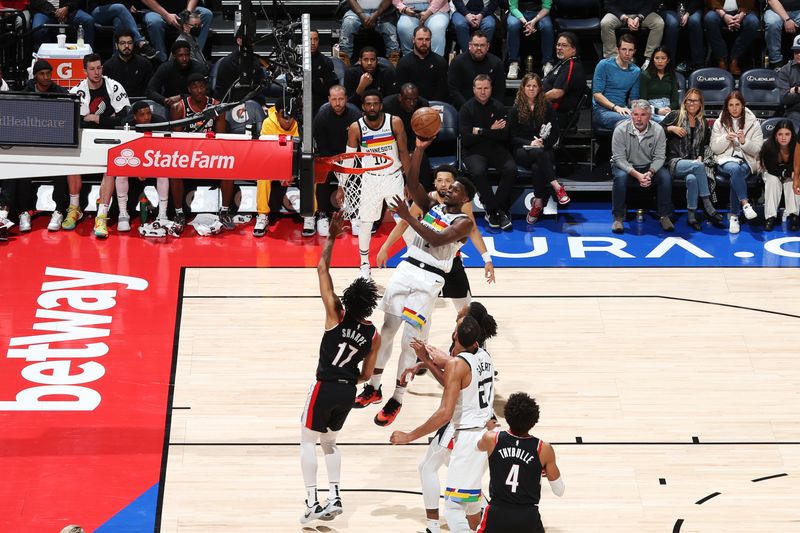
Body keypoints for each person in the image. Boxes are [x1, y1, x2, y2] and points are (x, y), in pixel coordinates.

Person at [352, 137, 475, 427]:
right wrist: (419, 149)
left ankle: (397, 398)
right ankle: (374, 387)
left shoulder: (464, 223)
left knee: (410, 341)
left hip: (429, 280)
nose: (449, 188)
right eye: (448, 185)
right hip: (406, 269)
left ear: (464, 198)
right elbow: (412, 181)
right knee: (387, 330)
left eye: (455, 188)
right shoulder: (432, 203)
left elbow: (435, 239)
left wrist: (408, 216)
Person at [299, 211, 381, 524]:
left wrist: (332, 237)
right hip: (348, 391)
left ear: (347, 299)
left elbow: (322, 268)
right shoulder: (373, 333)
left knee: (308, 441)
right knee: (330, 443)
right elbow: (367, 375)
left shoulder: (336, 314)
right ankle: (334, 495)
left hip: (324, 385)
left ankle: (311, 502)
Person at [399, 302, 498, 533]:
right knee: (470, 503)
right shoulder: (484, 355)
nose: (458, 314)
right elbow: (452, 372)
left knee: (453, 505)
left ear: (456, 335)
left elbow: (445, 408)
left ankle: (433, 525)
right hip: (485, 430)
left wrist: (409, 436)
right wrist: (426, 360)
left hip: (466, 431)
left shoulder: (458, 362)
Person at [377, 166, 496, 309]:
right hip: (424, 262)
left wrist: (486, 259)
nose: (444, 185)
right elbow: (403, 223)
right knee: (420, 312)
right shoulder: (427, 200)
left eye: (448, 181)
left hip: (450, 261)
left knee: (464, 309)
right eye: (439, 180)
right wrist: (385, 247)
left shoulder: (462, 204)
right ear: (434, 183)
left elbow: (473, 230)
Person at [476, 392, 565, 533]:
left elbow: (478, 446)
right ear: (534, 420)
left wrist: (490, 429)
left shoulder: (491, 439)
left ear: (506, 415)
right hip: (527, 517)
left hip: (497, 513)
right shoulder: (543, 449)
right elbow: (559, 491)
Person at [345, 89, 410, 279]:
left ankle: (417, 261)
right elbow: (349, 158)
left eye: (375, 104)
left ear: (381, 105)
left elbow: (404, 152)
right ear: (363, 107)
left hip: (393, 176)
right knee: (366, 222)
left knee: (404, 219)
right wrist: (343, 185)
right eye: (368, 104)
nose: (372, 107)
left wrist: (410, 182)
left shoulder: (394, 122)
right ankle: (364, 264)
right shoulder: (356, 128)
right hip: (370, 178)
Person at [66, 53, 130, 238]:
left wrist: (97, 118)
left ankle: (102, 215)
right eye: (92, 69)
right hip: (86, 139)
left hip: (111, 139)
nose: (96, 72)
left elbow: (127, 118)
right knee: (72, 161)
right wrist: (108, 119)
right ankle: (74, 208)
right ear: (85, 71)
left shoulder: (114, 86)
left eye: (99, 68)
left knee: (110, 167)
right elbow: (75, 121)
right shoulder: (78, 90)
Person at [169, 73, 232, 233]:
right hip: (187, 154)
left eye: (202, 86)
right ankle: (179, 214)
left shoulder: (217, 106)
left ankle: (224, 211)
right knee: (174, 171)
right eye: (195, 87)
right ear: (189, 89)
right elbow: (176, 141)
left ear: (206, 88)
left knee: (229, 168)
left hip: (211, 154)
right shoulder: (178, 108)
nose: (199, 90)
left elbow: (220, 139)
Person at [509, 73, 568, 226]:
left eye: (534, 86)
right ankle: (556, 186)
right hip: (523, 150)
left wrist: (543, 143)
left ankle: (538, 203)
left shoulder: (547, 106)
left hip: (543, 148)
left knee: (538, 165)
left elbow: (555, 132)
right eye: (528, 86)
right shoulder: (515, 109)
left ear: (539, 88)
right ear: (523, 88)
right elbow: (512, 137)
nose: (531, 89)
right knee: (539, 156)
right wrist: (531, 142)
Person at [661, 88, 724, 230]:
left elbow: (703, 144)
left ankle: (691, 216)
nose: (691, 103)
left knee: (692, 179)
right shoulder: (675, 115)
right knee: (698, 166)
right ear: (684, 102)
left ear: (700, 103)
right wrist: (670, 129)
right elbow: (655, 129)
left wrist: (701, 155)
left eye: (695, 100)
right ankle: (708, 204)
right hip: (674, 162)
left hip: (693, 163)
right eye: (689, 100)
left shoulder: (702, 120)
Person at [459, 74, 516, 230]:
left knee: (511, 169)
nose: (482, 92)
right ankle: (497, 212)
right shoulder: (466, 109)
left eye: (486, 88)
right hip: (473, 151)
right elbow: (466, 138)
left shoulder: (499, 107)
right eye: (479, 88)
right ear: (474, 89)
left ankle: (493, 209)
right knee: (478, 172)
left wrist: (479, 131)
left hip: (496, 148)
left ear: (491, 89)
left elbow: (504, 135)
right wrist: (491, 130)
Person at [610, 99, 673, 234]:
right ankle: (618, 218)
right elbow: (619, 159)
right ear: (631, 115)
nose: (638, 119)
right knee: (620, 177)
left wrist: (650, 172)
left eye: (643, 115)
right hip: (626, 166)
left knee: (665, 176)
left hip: (648, 167)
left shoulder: (658, 130)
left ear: (650, 116)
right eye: (635, 114)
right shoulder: (620, 130)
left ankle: (665, 215)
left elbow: (660, 157)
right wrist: (638, 175)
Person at [21, 60, 68, 235]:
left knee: (62, 168)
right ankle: (24, 211)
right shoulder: (24, 93)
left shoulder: (61, 92)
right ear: (35, 76)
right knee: (21, 170)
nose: (46, 77)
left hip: (53, 144)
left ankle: (59, 211)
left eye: (49, 73)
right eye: (42, 74)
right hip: (30, 145)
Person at [310, 85, 361, 238]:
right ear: (329, 100)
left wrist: (345, 165)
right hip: (329, 156)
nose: (337, 103)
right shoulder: (321, 116)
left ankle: (355, 215)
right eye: (334, 100)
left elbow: (358, 144)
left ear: (346, 99)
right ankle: (322, 215)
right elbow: (321, 145)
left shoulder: (355, 114)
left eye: (341, 99)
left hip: (350, 156)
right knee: (321, 175)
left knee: (357, 174)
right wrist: (335, 165)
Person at [709, 90, 763, 234]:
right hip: (724, 160)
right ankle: (745, 204)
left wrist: (744, 142)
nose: (734, 108)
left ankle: (733, 216)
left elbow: (757, 150)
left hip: (746, 161)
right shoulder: (719, 122)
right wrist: (725, 138)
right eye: (731, 105)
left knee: (736, 175)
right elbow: (714, 148)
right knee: (734, 169)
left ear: (743, 106)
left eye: (737, 104)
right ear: (727, 107)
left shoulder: (753, 123)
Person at [117, 101, 172, 233]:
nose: (147, 117)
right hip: (134, 167)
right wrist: (138, 169)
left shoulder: (161, 123)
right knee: (119, 171)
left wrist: (147, 168)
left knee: (164, 171)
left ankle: (162, 214)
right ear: (135, 117)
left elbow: (165, 151)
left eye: (148, 113)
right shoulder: (126, 125)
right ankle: (123, 214)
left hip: (155, 164)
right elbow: (123, 152)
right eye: (142, 115)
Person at [255, 100, 302, 236]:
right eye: (284, 117)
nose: (288, 121)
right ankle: (262, 215)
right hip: (273, 163)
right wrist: (280, 172)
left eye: (291, 117)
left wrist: (291, 172)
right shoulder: (268, 124)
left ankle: (310, 215)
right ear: (276, 114)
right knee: (262, 175)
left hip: (295, 164)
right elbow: (267, 154)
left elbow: (300, 153)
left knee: (312, 172)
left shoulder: (299, 123)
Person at [383, 82, 432, 188]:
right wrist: (401, 153)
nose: (412, 103)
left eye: (415, 99)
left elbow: (424, 132)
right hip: (392, 143)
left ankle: (426, 196)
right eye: (408, 100)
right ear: (400, 98)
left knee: (421, 161)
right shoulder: (387, 105)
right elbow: (384, 132)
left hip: (414, 141)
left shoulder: (423, 105)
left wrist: (413, 152)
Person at [592, 33, 641, 131]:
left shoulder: (636, 71)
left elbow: (633, 100)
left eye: (630, 50)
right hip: (602, 111)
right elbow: (597, 95)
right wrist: (616, 108)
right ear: (617, 50)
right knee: (636, 120)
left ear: (634, 51)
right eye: (624, 49)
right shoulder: (604, 65)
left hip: (623, 110)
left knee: (649, 118)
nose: (627, 53)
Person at [140, 0, 213, 63]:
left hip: (183, 10)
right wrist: (166, 15)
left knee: (206, 14)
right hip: (157, 12)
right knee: (154, 21)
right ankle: (162, 61)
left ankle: (193, 57)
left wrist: (187, 12)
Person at [448, 31, 505, 109]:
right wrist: (467, 109)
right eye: (476, 45)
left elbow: (500, 91)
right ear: (469, 46)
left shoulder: (497, 63)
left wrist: (490, 109)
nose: (479, 48)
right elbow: (453, 90)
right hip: (463, 109)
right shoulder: (457, 62)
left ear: (488, 46)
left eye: (482, 45)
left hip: (490, 110)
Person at [760, 120, 800, 231]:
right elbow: (771, 169)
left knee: (792, 181)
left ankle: (794, 216)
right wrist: (787, 172)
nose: (783, 137)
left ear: (792, 135)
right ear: (775, 135)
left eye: (787, 134)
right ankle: (770, 217)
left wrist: (790, 174)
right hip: (771, 174)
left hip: (788, 175)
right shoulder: (768, 146)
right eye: (780, 134)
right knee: (772, 180)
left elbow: (796, 168)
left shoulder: (797, 148)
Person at [601, 0, 665, 67]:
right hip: (619, 14)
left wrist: (639, 17)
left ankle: (650, 60)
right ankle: (612, 60)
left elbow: (650, 3)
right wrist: (625, 18)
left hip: (642, 14)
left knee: (658, 23)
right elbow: (609, 4)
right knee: (606, 23)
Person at [86, 0, 158, 59]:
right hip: (97, 11)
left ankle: (116, 60)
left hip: (117, 12)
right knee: (120, 8)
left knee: (119, 22)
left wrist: (130, 5)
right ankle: (140, 42)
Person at [543, 31, 586, 128]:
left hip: (560, 116)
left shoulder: (572, 66)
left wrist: (535, 100)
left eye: (564, 45)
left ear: (573, 50)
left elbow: (556, 93)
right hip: (550, 111)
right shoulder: (562, 63)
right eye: (558, 45)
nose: (559, 48)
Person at [703, 0, 759, 76]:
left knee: (753, 22)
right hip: (718, 10)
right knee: (710, 19)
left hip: (744, 10)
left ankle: (735, 58)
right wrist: (724, 15)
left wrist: (741, 15)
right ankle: (722, 59)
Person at [338, 0, 401, 66]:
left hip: (383, 12)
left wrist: (375, 15)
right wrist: (361, 15)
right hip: (356, 10)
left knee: (388, 27)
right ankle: (344, 59)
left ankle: (393, 60)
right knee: (348, 23)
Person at [147, 40, 208, 107]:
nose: (184, 58)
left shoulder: (199, 68)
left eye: (187, 55)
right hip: (170, 105)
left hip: (195, 104)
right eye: (180, 55)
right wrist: (164, 100)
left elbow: (207, 93)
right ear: (174, 56)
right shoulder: (165, 68)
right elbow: (150, 90)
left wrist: (182, 97)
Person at [396, 26, 449, 102]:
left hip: (435, 105)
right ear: (413, 40)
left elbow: (443, 90)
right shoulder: (403, 63)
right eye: (420, 39)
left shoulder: (440, 62)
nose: (424, 43)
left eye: (427, 39)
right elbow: (401, 90)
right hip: (411, 105)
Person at [506, 0, 554, 79]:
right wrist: (525, 23)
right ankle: (513, 62)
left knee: (547, 27)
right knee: (513, 26)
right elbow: (513, 8)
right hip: (518, 11)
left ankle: (547, 62)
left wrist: (534, 21)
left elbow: (546, 7)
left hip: (539, 12)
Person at [102, 29, 155, 98]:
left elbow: (151, 89)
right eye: (122, 43)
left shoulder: (144, 63)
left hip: (140, 102)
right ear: (116, 46)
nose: (126, 46)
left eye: (130, 43)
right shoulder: (108, 66)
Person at [658, 0, 705, 71]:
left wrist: (687, 14)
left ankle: (698, 63)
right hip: (670, 8)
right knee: (673, 23)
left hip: (692, 7)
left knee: (694, 21)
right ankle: (669, 63)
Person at [29, 0, 95, 50]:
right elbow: (35, 2)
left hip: (69, 10)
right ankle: (50, 53)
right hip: (44, 11)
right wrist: (55, 12)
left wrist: (67, 7)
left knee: (88, 20)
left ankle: (88, 57)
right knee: (38, 30)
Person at [639, 46, 678, 123]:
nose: (660, 61)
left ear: (668, 60)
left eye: (663, 58)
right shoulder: (645, 75)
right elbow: (643, 101)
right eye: (657, 58)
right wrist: (657, 111)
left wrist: (669, 109)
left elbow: (675, 101)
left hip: (667, 110)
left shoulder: (672, 75)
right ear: (653, 60)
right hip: (651, 109)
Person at [310, 29, 338, 116]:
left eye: (316, 39)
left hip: (319, 102)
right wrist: (317, 81)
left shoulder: (326, 61)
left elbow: (326, 89)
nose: (313, 43)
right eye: (309, 39)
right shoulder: (297, 61)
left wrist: (309, 82)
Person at [765, 0, 800, 70]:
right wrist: (787, 19)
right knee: (773, 23)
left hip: (797, 10)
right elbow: (772, 1)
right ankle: (776, 62)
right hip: (775, 9)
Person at [777, 35, 800, 123]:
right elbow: (784, 98)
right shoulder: (785, 70)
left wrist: (796, 90)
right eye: (796, 51)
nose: (799, 54)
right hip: (795, 111)